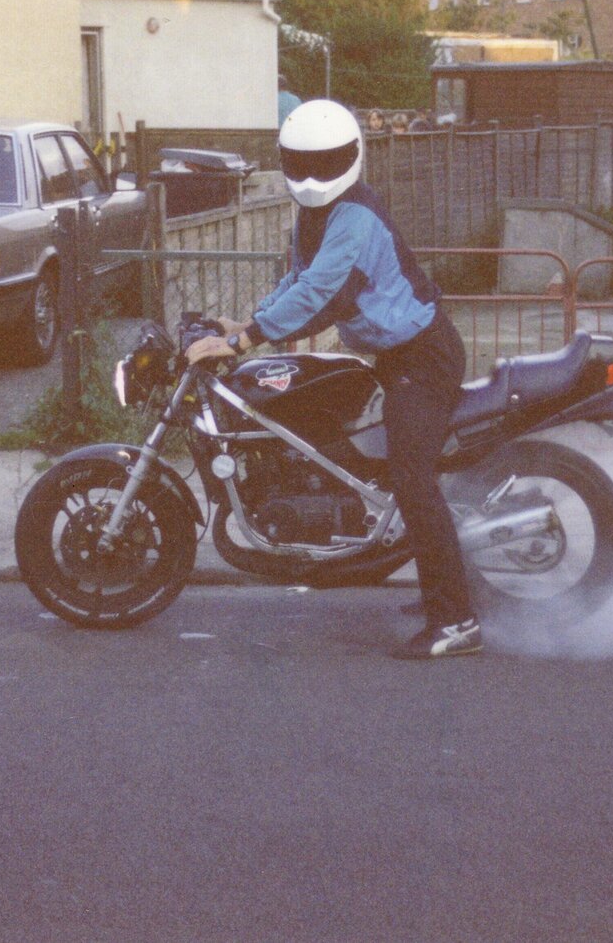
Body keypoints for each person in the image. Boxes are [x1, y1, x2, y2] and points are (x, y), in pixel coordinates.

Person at [186, 99, 480, 660]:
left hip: (424, 358)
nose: (313, 175)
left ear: (352, 156)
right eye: (302, 163)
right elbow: (298, 279)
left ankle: (457, 621)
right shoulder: (313, 215)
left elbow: (320, 291)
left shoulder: (354, 218)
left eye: (326, 162)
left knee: (411, 478)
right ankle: (425, 579)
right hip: (394, 356)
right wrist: (244, 324)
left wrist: (245, 340)